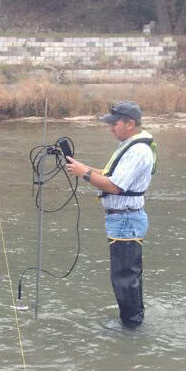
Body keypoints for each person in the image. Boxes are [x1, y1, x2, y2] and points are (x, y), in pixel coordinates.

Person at [66, 101, 155, 328]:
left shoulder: (138, 150)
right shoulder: (130, 145)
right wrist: (82, 167)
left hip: (126, 220)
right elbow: (109, 175)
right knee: (127, 277)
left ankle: (131, 327)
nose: (111, 128)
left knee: (125, 278)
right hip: (123, 219)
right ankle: (133, 320)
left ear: (130, 123)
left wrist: (84, 173)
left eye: (114, 124)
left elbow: (114, 186)